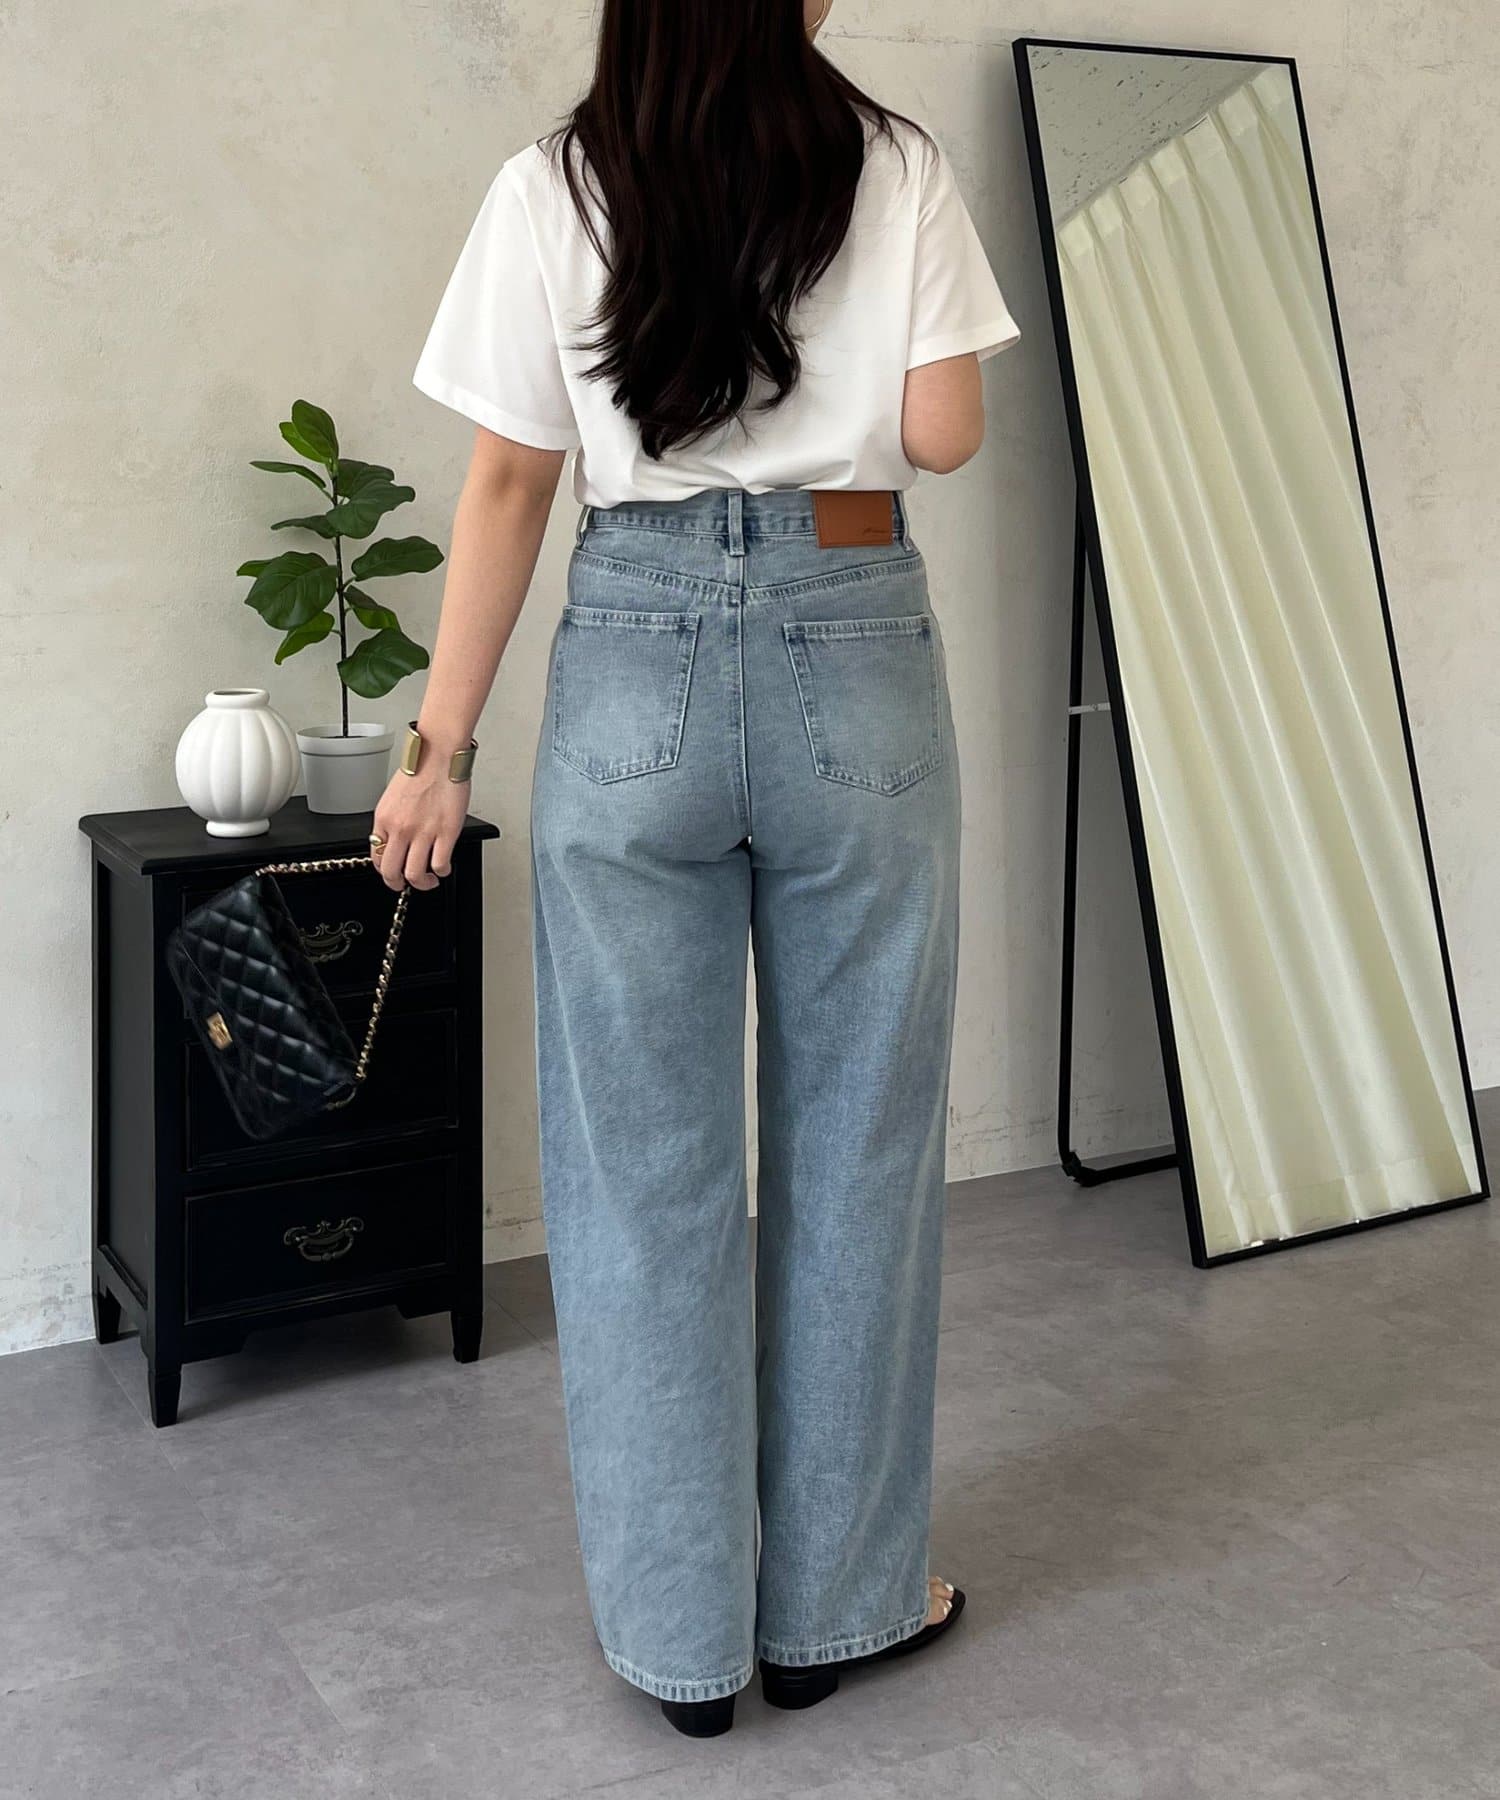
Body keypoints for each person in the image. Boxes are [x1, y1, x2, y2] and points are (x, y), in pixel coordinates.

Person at [374, 0, 1019, 1742]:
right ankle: (837, 1609)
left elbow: (509, 481)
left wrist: (439, 750)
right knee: (862, 1151)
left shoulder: (553, 185)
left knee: (637, 1178)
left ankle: (682, 1649)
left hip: (632, 647)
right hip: (853, 633)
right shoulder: (895, 164)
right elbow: (944, 434)